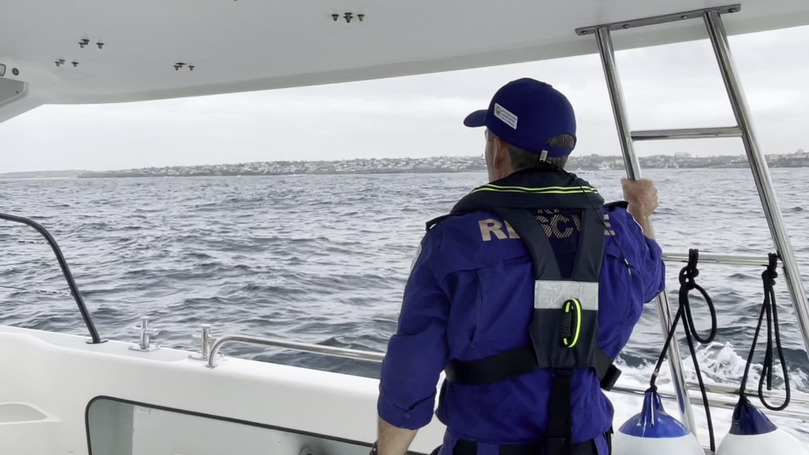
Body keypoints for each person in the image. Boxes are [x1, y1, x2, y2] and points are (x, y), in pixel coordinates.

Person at [375, 78, 665, 455]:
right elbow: (653, 278)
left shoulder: (454, 241)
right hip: (588, 447)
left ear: (497, 150)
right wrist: (640, 212)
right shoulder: (622, 230)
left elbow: (410, 376)